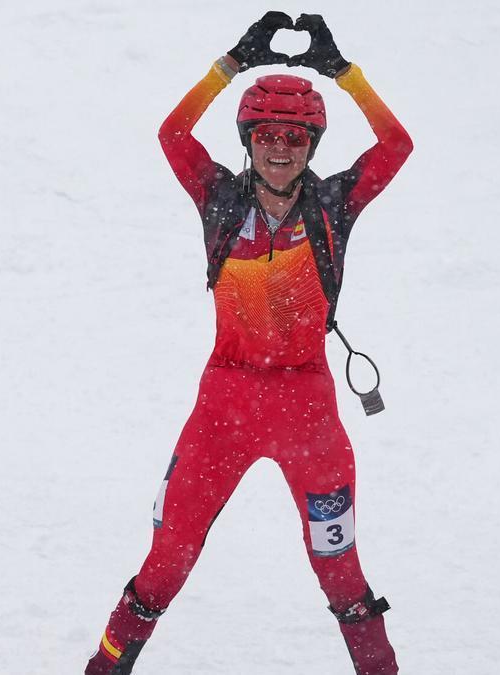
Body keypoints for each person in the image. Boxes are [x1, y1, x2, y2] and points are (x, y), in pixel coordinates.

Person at [83, 11, 413, 675]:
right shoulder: (218, 199)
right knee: (167, 559)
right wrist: (230, 65)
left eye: (295, 136)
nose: (281, 148)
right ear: (249, 140)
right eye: (267, 135)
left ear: (313, 144)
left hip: (309, 415)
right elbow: (171, 133)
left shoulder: (332, 207)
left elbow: (397, 144)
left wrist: (345, 74)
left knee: (340, 570)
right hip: (222, 409)